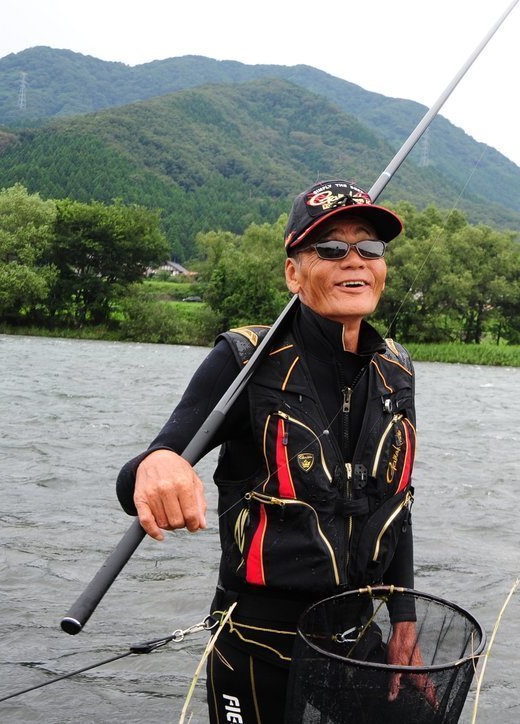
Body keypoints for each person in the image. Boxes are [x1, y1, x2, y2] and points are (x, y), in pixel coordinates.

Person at [116, 179, 426, 723]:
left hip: (356, 636)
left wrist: (403, 617)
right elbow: (143, 472)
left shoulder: (395, 369)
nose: (354, 260)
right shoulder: (242, 361)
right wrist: (157, 464)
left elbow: (395, 505)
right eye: (330, 248)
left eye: (369, 247)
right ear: (293, 272)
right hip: (255, 643)